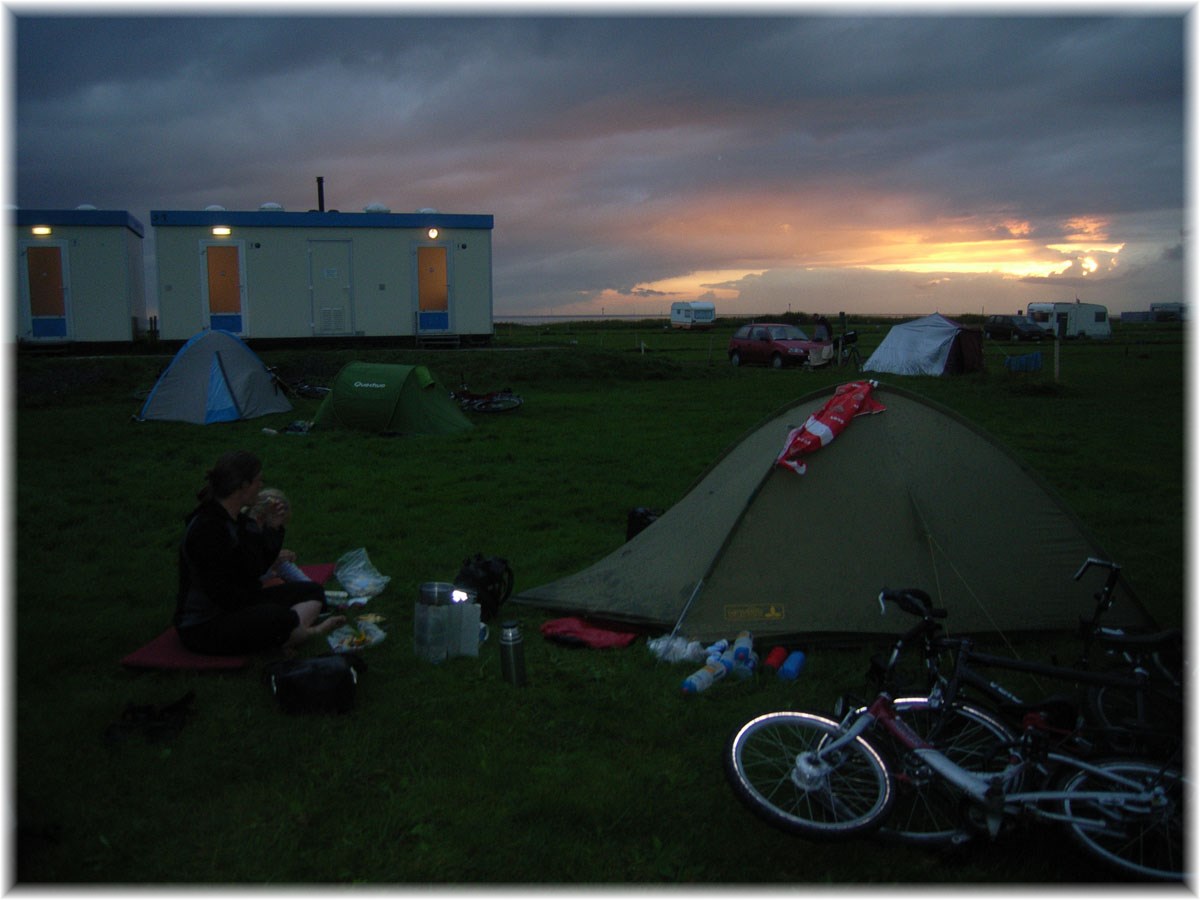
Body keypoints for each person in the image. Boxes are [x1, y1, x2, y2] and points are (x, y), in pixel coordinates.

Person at [175, 451, 344, 655]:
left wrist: (272, 529)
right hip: (206, 623)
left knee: (312, 590)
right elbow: (224, 592)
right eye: (258, 480)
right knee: (279, 617)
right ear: (243, 486)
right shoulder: (208, 529)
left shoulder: (236, 519)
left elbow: (256, 565)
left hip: (238, 599)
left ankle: (289, 635)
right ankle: (305, 633)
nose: (261, 485)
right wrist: (258, 606)